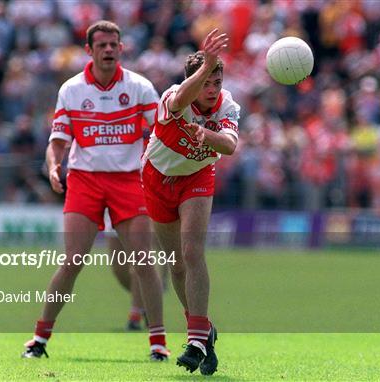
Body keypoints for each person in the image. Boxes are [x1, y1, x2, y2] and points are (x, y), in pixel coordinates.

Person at [21, 20, 169, 361]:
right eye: (101, 45)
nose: (108, 50)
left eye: (113, 45)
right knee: (73, 260)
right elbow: (57, 141)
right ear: (89, 50)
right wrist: (54, 165)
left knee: (143, 261)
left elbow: (161, 131)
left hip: (129, 180)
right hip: (86, 181)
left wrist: (159, 166)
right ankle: (40, 338)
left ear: (121, 48)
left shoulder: (140, 87)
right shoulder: (72, 90)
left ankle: (158, 342)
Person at [142, 29, 239, 375]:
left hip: (197, 178)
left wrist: (208, 134)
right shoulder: (173, 96)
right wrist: (204, 68)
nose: (212, 90)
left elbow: (229, 146)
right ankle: (204, 329)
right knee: (176, 264)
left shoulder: (227, 104)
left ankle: (195, 338)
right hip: (157, 179)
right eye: (206, 82)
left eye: (217, 81)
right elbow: (183, 100)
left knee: (192, 252)